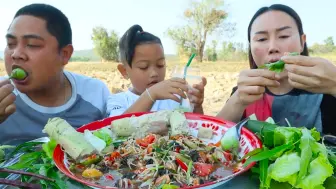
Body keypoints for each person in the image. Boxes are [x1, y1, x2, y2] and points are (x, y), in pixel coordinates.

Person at [216, 4, 336, 136]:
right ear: (250, 47)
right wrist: (237, 99)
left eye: (284, 36)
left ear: (302, 42)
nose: (273, 47)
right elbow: (211, 140)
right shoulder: (244, 94)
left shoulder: (326, 91)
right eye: (262, 39)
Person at [0, 3, 111, 145]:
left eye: (32, 44)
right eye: (10, 43)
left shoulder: (95, 93)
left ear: (65, 54)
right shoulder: (3, 97)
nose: (16, 54)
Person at [106, 24, 207, 117]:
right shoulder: (118, 101)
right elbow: (117, 127)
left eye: (160, 65)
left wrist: (197, 105)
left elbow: (196, 127)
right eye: (143, 67)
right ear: (124, 71)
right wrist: (150, 95)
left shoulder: (175, 98)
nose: (154, 73)